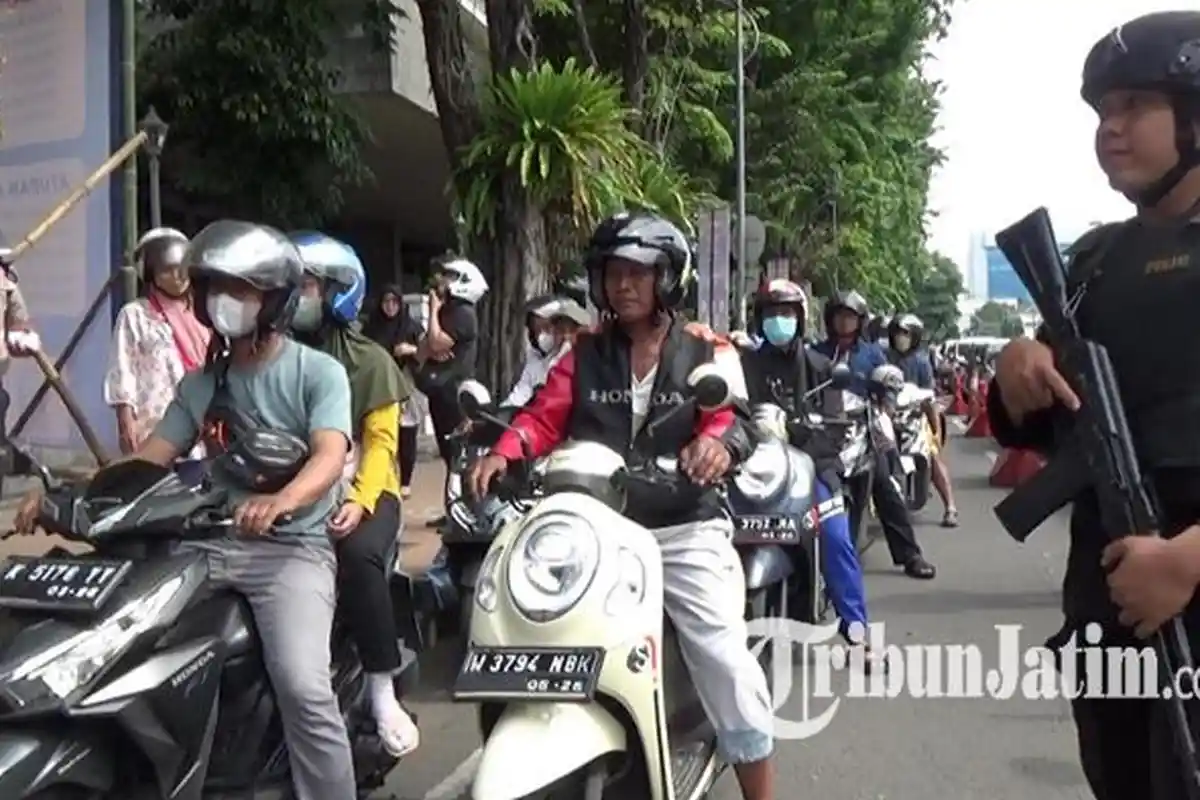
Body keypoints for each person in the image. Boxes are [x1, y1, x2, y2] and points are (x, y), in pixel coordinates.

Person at [16, 221, 358, 799]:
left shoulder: (317, 373)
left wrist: (281, 502)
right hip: (207, 545)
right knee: (122, 645)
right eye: (215, 288)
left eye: (241, 290)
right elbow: (148, 459)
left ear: (272, 300)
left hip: (289, 551)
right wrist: (60, 499)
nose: (224, 301)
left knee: (303, 687)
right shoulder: (204, 384)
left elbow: (329, 455)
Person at [467, 212, 775, 800]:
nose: (623, 285)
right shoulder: (581, 352)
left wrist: (717, 445)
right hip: (593, 526)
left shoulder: (705, 348)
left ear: (668, 279)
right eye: (613, 273)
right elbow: (540, 417)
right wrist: (504, 452)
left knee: (726, 660)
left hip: (683, 526)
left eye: (638, 273)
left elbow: (732, 419)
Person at [990, 13, 1200, 799]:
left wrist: (1188, 562)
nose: (1111, 129)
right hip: (1109, 600)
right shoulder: (1092, 264)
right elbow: (1050, 416)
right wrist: (1020, 366)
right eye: (1101, 112)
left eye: (1135, 105)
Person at [287, 232, 419, 758]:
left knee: (360, 554)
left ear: (339, 291)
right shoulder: (272, 353)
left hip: (364, 486)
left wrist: (359, 501)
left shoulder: (370, 362)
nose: (296, 296)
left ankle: (381, 690)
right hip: (292, 488)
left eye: (308, 286)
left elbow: (382, 446)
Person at [739, 280, 880, 658]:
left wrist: (802, 431)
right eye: (771, 314)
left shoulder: (823, 367)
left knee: (835, 536)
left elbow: (835, 427)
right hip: (752, 470)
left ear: (800, 319)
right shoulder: (743, 364)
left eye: (786, 314)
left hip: (812, 466)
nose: (778, 321)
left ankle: (857, 633)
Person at [813, 292, 935, 579]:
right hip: (821, 433)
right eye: (839, 315)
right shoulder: (814, 353)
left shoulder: (871, 354)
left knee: (886, 485)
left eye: (851, 316)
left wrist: (887, 405)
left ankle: (911, 555)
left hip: (862, 432)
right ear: (830, 319)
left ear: (860, 321)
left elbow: (889, 386)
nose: (844, 322)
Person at [104, 228, 211, 456]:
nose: (177, 277)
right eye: (166, 271)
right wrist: (125, 423)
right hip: (156, 426)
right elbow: (123, 370)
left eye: (181, 269)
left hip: (205, 427)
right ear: (150, 274)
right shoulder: (135, 315)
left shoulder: (207, 312)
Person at [413, 256, 488, 529]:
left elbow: (434, 341)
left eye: (450, 276)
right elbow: (425, 348)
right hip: (441, 393)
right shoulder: (450, 310)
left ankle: (469, 513)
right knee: (449, 455)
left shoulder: (462, 314)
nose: (441, 281)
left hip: (455, 393)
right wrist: (432, 340)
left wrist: (432, 313)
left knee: (461, 457)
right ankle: (453, 512)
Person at [886, 314, 958, 527]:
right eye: (898, 332)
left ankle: (950, 508)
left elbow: (929, 399)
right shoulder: (884, 357)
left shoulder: (921, 362)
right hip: (888, 416)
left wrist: (935, 430)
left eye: (906, 333)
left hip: (915, 418)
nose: (901, 337)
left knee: (933, 459)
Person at [363, 285, 425, 497]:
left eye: (394, 302)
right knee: (382, 432)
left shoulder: (411, 327)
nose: (390, 307)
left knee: (407, 431)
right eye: (386, 302)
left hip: (406, 383)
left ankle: (405, 481)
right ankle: (384, 477)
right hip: (380, 385)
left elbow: (429, 354)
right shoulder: (372, 328)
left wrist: (412, 350)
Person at [502, 295, 591, 407]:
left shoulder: (587, 363)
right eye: (560, 330)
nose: (565, 336)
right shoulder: (541, 360)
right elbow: (520, 394)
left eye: (571, 330)